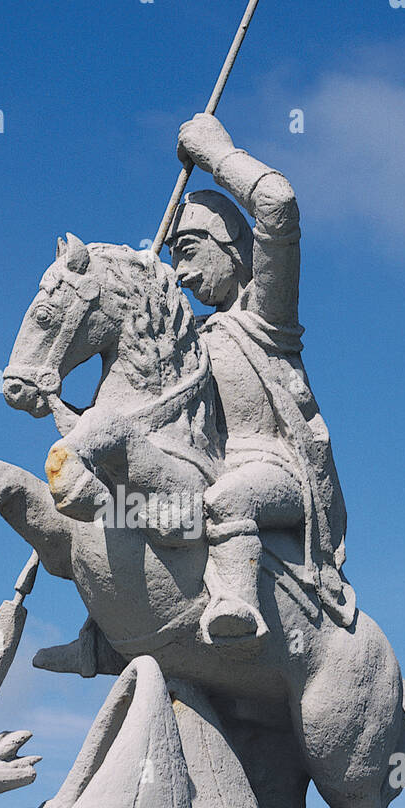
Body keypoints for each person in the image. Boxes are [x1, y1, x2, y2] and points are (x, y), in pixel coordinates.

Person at [166, 112, 355, 642]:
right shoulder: (193, 338)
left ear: (229, 246)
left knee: (228, 499)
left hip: (279, 475)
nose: (180, 274)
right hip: (211, 469)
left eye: (189, 252)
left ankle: (236, 606)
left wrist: (216, 152)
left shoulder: (266, 318)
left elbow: (277, 206)